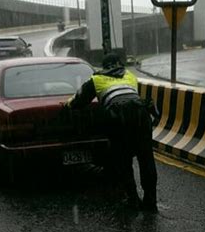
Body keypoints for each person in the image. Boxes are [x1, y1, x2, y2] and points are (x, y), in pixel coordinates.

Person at [66, 52, 158, 211]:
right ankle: (151, 201)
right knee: (146, 158)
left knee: (123, 159)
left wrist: (67, 105)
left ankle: (133, 199)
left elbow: (78, 102)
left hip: (117, 118)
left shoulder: (96, 79)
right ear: (120, 65)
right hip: (141, 115)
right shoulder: (130, 75)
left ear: (104, 67)